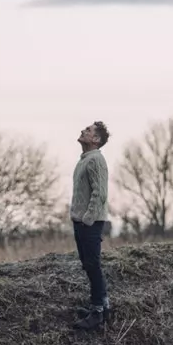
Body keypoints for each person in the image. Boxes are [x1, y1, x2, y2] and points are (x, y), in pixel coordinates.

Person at [70, 121, 111, 330]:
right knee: (88, 264)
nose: (83, 131)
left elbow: (100, 194)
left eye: (88, 130)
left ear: (96, 140)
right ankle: (103, 306)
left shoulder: (95, 160)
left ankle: (97, 312)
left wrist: (87, 219)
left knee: (93, 265)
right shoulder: (85, 160)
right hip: (82, 221)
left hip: (90, 223)